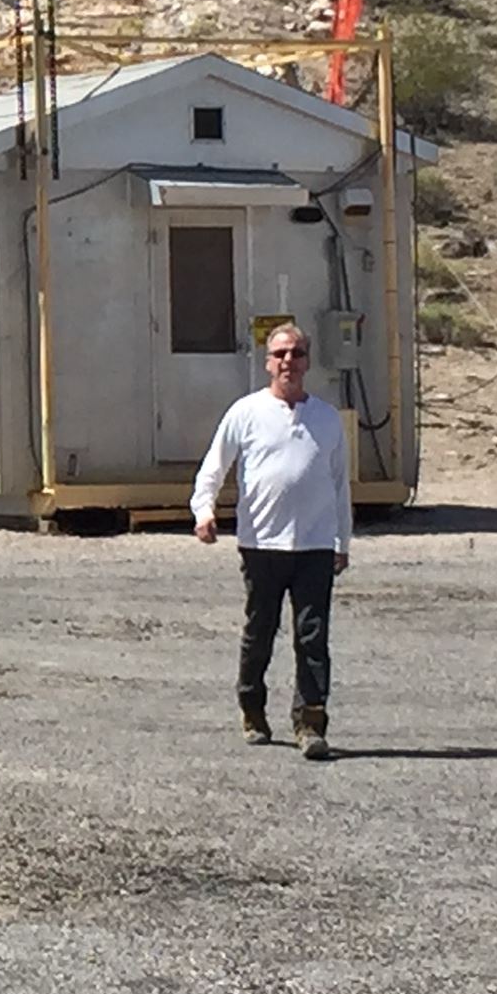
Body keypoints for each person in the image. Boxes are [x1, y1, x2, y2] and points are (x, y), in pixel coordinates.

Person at [191, 321, 351, 760]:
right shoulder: (245, 413)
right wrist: (203, 511)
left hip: (315, 545)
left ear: (307, 362)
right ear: (267, 362)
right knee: (260, 630)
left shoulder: (326, 418)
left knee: (312, 636)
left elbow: (339, 485)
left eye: (296, 354)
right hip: (262, 544)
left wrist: (343, 541)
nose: (288, 362)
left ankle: (311, 722)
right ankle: (252, 708)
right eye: (280, 354)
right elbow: (213, 468)